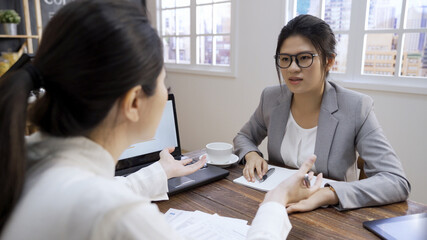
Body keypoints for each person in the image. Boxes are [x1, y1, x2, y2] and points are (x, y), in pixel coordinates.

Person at [0, 1, 323, 239]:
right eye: (163, 83)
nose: (293, 68)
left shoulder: (22, 160)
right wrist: (276, 199)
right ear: (133, 102)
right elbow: (106, 205)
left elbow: (104, 191)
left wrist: (160, 172)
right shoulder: (115, 217)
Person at [233, 14, 411, 212]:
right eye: (285, 59)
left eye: (304, 58)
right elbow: (244, 137)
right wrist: (251, 155)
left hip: (329, 214)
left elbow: (395, 181)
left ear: (329, 61)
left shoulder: (356, 107)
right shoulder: (271, 97)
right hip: (274, 203)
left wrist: (328, 193)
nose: (292, 68)